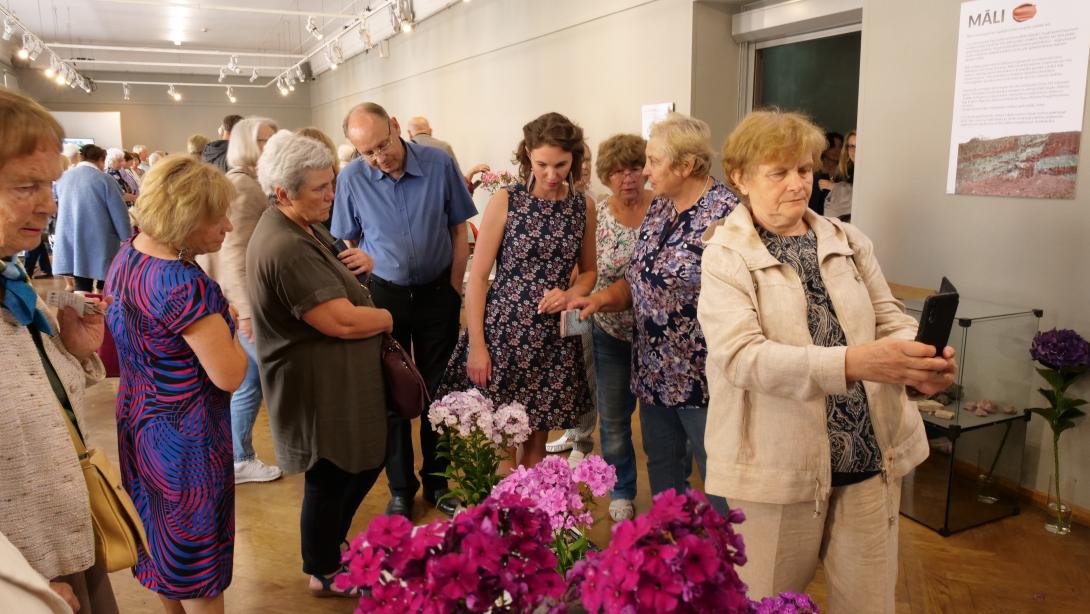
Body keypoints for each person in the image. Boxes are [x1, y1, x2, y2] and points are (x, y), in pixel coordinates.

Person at [701, 110, 957, 612]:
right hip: (778, 469)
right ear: (740, 178)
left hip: (869, 459)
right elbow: (741, 357)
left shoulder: (849, 239)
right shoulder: (724, 254)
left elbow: (890, 317)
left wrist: (917, 358)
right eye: (779, 173)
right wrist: (858, 363)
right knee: (766, 601)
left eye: (803, 169)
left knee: (868, 603)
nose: (797, 185)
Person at [248, 130, 392, 597]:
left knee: (356, 462)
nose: (332, 195)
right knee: (331, 472)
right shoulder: (285, 244)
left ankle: (330, 548)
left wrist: (360, 266)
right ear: (285, 191)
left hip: (334, 379)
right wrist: (391, 316)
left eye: (331, 183)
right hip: (315, 386)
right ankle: (325, 566)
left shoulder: (301, 226)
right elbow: (341, 322)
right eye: (320, 188)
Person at [571, 113, 735, 514]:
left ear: (685, 165)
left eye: (653, 162)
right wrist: (600, 300)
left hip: (702, 373)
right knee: (662, 461)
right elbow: (638, 280)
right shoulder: (661, 207)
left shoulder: (726, 214)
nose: (644, 172)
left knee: (716, 469)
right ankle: (669, 537)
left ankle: (724, 556)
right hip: (654, 367)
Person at [106, 155, 246, 614]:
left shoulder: (128, 255)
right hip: (187, 442)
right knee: (200, 561)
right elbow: (229, 375)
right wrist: (234, 329)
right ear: (186, 216)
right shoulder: (185, 284)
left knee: (161, 537)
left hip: (139, 422)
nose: (227, 225)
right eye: (216, 216)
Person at [0, 86, 118, 613]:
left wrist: (71, 354)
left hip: (55, 537)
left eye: (49, 184)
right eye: (27, 186)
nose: (50, 204)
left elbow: (30, 411)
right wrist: (13, 585)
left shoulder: (11, 274)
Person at [333, 102, 476, 519]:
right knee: (394, 395)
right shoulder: (352, 179)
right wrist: (365, 273)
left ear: (396, 127)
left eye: (382, 145)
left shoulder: (438, 162)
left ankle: (438, 482)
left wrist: (453, 289)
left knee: (438, 392)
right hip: (385, 299)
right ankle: (400, 488)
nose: (379, 158)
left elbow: (458, 229)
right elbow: (348, 239)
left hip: (437, 295)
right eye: (368, 153)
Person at [438, 111, 596, 469]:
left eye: (561, 165)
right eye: (542, 164)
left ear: (574, 158)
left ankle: (529, 522)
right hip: (504, 336)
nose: (552, 175)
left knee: (537, 447)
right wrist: (477, 347)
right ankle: (500, 521)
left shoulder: (582, 206)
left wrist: (572, 294)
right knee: (500, 447)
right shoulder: (507, 201)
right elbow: (478, 279)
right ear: (527, 154)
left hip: (553, 341)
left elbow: (589, 273)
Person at [196, 117, 283, 485]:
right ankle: (240, 456)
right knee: (255, 380)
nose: (273, 145)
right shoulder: (244, 187)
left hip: (235, 301)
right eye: (267, 140)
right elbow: (233, 254)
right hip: (244, 304)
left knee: (249, 381)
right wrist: (247, 313)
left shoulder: (243, 183)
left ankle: (237, 456)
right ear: (249, 143)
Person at [580, 134, 654, 520]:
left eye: (635, 168)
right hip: (609, 330)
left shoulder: (662, 208)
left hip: (659, 337)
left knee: (663, 421)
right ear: (607, 176)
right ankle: (622, 489)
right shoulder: (597, 214)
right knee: (612, 419)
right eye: (618, 171)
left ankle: (668, 491)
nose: (628, 178)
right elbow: (586, 269)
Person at [545, 140, 599, 462]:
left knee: (585, 368)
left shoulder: (594, 204)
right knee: (566, 369)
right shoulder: (549, 201)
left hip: (587, 299)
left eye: (590, 160)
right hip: (556, 303)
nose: (586, 166)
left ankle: (582, 439)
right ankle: (571, 429)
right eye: (583, 159)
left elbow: (592, 261)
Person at [53, 144, 132, 292]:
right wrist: (127, 238)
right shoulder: (105, 179)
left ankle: (82, 313)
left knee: (81, 284)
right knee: (106, 282)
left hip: (71, 238)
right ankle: (102, 313)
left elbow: (56, 204)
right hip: (100, 239)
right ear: (101, 160)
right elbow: (119, 213)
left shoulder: (62, 178)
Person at [824, 130, 856, 221]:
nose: (837, 151)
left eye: (840, 147)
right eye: (833, 147)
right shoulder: (815, 172)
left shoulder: (845, 171)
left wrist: (834, 186)